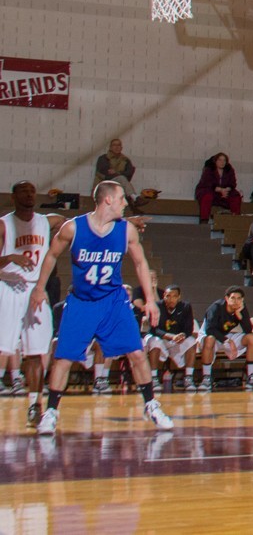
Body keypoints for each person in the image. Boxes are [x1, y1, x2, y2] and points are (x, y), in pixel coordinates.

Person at [27, 181, 173, 434]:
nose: (126, 203)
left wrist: (150, 299)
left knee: (137, 353)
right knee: (63, 358)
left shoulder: (126, 230)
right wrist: (39, 288)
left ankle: (151, 404)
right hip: (82, 302)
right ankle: (51, 411)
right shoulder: (73, 228)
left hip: (114, 302)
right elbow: (51, 255)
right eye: (121, 199)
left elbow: (140, 263)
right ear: (107, 200)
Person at [1, 181, 66, 426]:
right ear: (13, 196)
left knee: (36, 352)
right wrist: (9, 257)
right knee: (3, 349)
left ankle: (34, 404)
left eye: (31, 190)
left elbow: (77, 223)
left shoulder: (46, 221)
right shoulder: (4, 224)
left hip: (35, 290)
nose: (29, 194)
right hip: (8, 287)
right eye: (23, 191)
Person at [198, 287, 253, 391]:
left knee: (251, 338)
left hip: (226, 335)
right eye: (233, 298)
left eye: (239, 298)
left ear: (242, 300)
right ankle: (206, 378)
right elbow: (210, 329)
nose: (236, 301)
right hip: (209, 335)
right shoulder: (216, 307)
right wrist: (228, 341)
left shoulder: (241, 308)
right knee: (210, 339)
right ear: (226, 298)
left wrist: (240, 316)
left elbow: (248, 330)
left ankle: (251, 378)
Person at [145, 285, 199, 391]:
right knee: (154, 341)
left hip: (177, 340)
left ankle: (188, 378)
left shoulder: (185, 306)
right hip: (162, 339)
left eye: (174, 296)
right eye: (168, 296)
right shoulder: (157, 306)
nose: (171, 299)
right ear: (164, 296)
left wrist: (182, 335)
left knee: (192, 341)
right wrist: (170, 336)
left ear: (179, 297)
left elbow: (189, 328)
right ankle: (154, 378)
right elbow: (154, 329)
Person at [195, 152, 242, 221]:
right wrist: (220, 190)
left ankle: (235, 219)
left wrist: (226, 190)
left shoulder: (230, 170)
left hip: (225, 191)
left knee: (235, 196)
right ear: (215, 161)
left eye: (224, 160)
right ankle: (204, 220)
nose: (222, 162)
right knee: (207, 196)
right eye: (220, 160)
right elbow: (208, 183)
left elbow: (233, 183)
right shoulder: (209, 169)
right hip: (210, 190)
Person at [93, 138, 137, 202]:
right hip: (104, 185)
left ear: (121, 148)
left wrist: (117, 172)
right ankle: (135, 197)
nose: (117, 147)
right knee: (122, 178)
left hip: (119, 187)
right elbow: (106, 174)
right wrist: (121, 174)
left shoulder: (125, 160)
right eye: (114, 145)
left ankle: (133, 198)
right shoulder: (103, 158)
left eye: (118, 145)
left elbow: (129, 173)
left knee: (122, 179)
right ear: (110, 147)